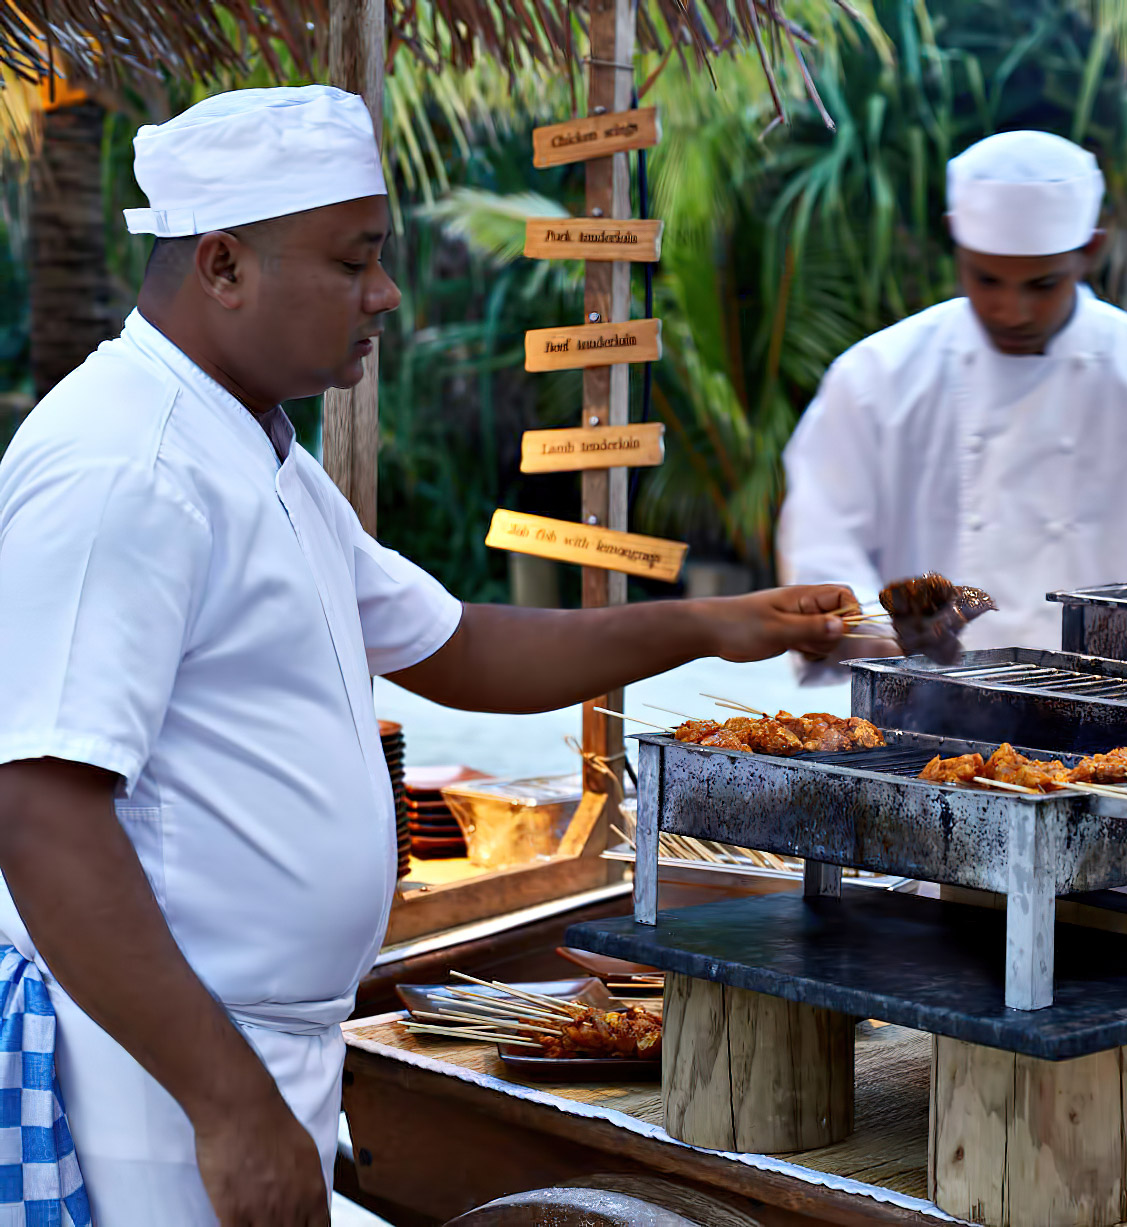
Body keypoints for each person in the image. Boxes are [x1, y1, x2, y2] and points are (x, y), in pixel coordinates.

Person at [0, 87, 852, 1226]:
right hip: (155, 1074)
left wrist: (713, 623)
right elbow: (42, 810)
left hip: (244, 1054)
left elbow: (459, 645)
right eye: (355, 261)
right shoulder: (126, 469)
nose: (385, 294)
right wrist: (229, 1106)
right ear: (220, 266)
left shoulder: (258, 453)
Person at [778, 129, 1127, 675]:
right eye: (987, 280)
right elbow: (823, 544)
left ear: (1090, 251)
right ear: (955, 242)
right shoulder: (876, 377)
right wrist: (879, 636)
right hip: (910, 706)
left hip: (1108, 713)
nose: (1012, 310)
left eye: (1041, 285)